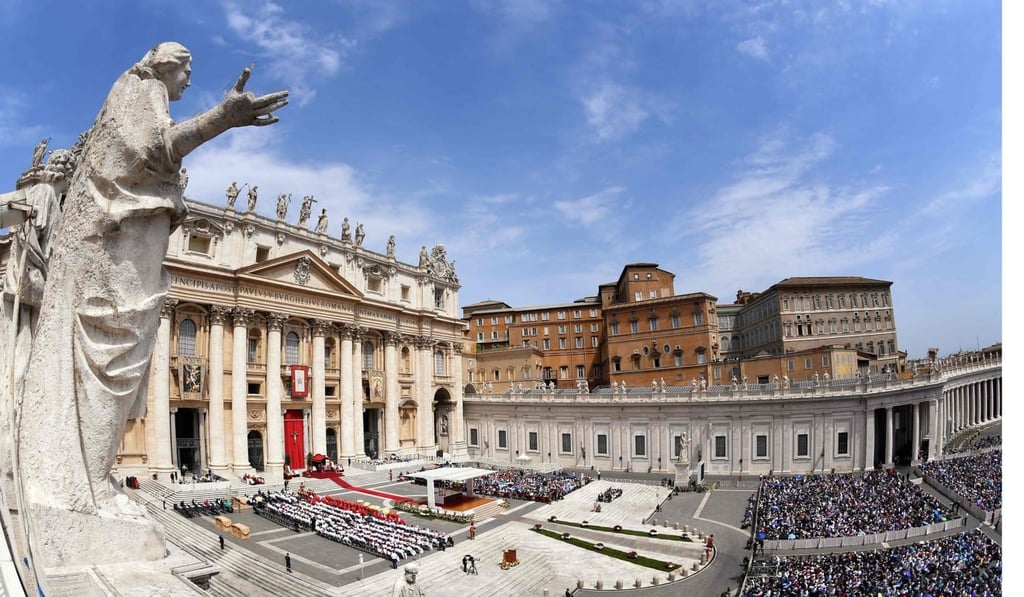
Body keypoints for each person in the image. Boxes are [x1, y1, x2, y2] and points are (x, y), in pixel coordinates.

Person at [13, 41, 287, 567]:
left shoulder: (146, 97)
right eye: (187, 71)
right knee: (110, 363)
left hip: (132, 253)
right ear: (167, 65)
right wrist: (221, 119)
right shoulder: (137, 90)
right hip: (115, 257)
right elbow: (153, 150)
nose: (189, 81)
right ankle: (83, 484)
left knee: (117, 367)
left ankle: (89, 479)